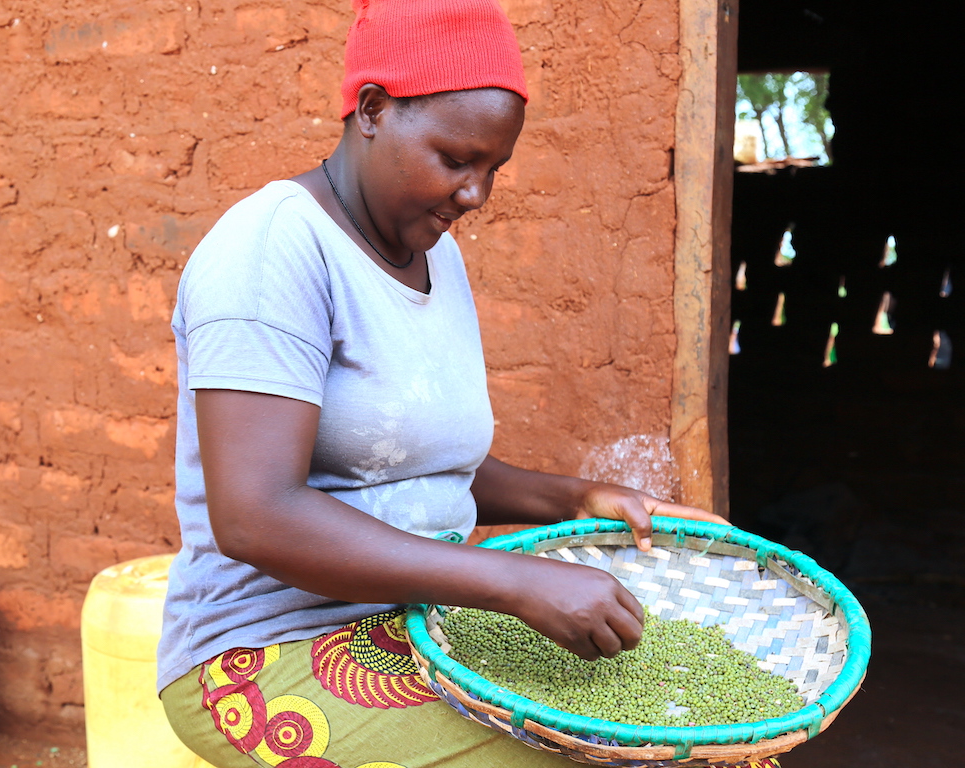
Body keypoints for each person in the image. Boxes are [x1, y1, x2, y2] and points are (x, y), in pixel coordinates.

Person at [158, 1, 744, 766]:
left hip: (417, 620)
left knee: (694, 735)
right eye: (455, 159)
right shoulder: (273, 249)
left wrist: (576, 498)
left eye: (493, 168)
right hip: (268, 649)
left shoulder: (435, 254)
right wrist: (512, 581)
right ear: (372, 110)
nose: (476, 195)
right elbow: (255, 516)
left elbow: (414, 459)